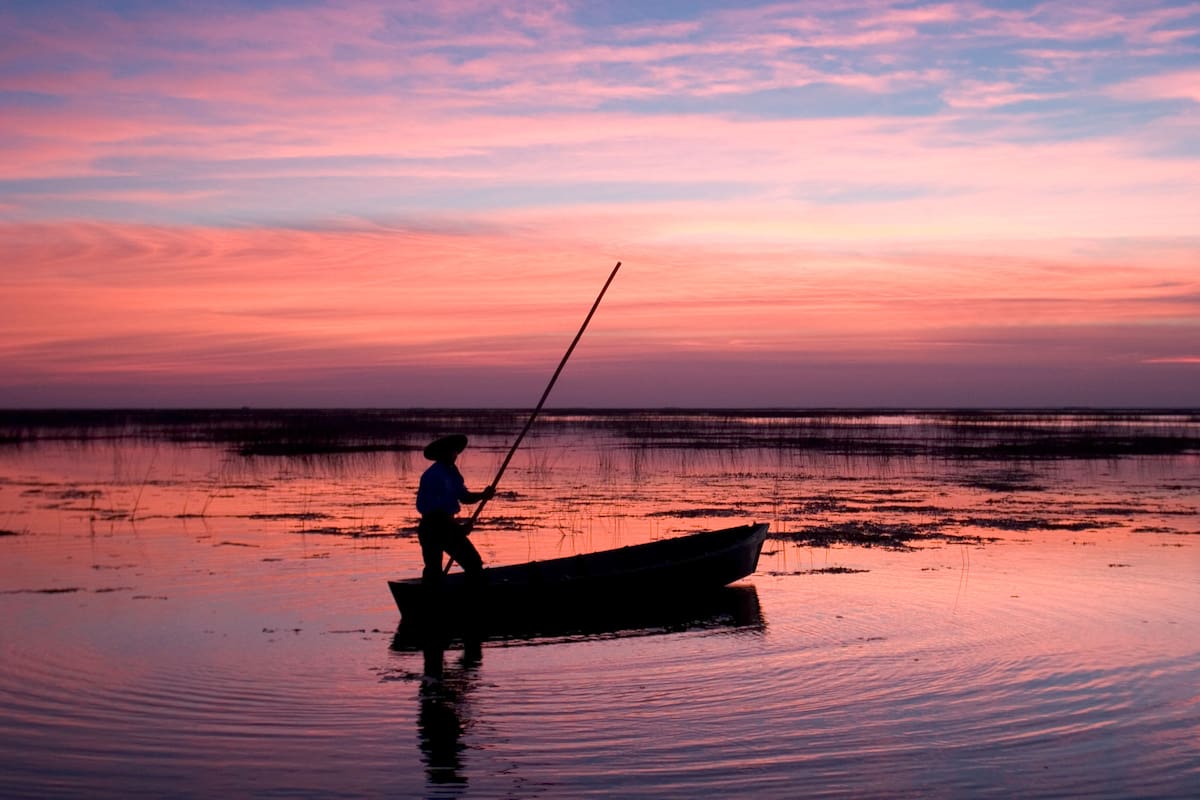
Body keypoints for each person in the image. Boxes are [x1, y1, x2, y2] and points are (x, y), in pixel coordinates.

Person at [416, 434, 495, 587]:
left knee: (464, 565)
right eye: (450, 452)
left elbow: (464, 497)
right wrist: (457, 529)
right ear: (441, 454)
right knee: (470, 564)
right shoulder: (434, 475)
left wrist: (482, 495)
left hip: (443, 524)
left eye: (454, 452)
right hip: (433, 527)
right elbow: (436, 512)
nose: (454, 455)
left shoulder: (452, 472)